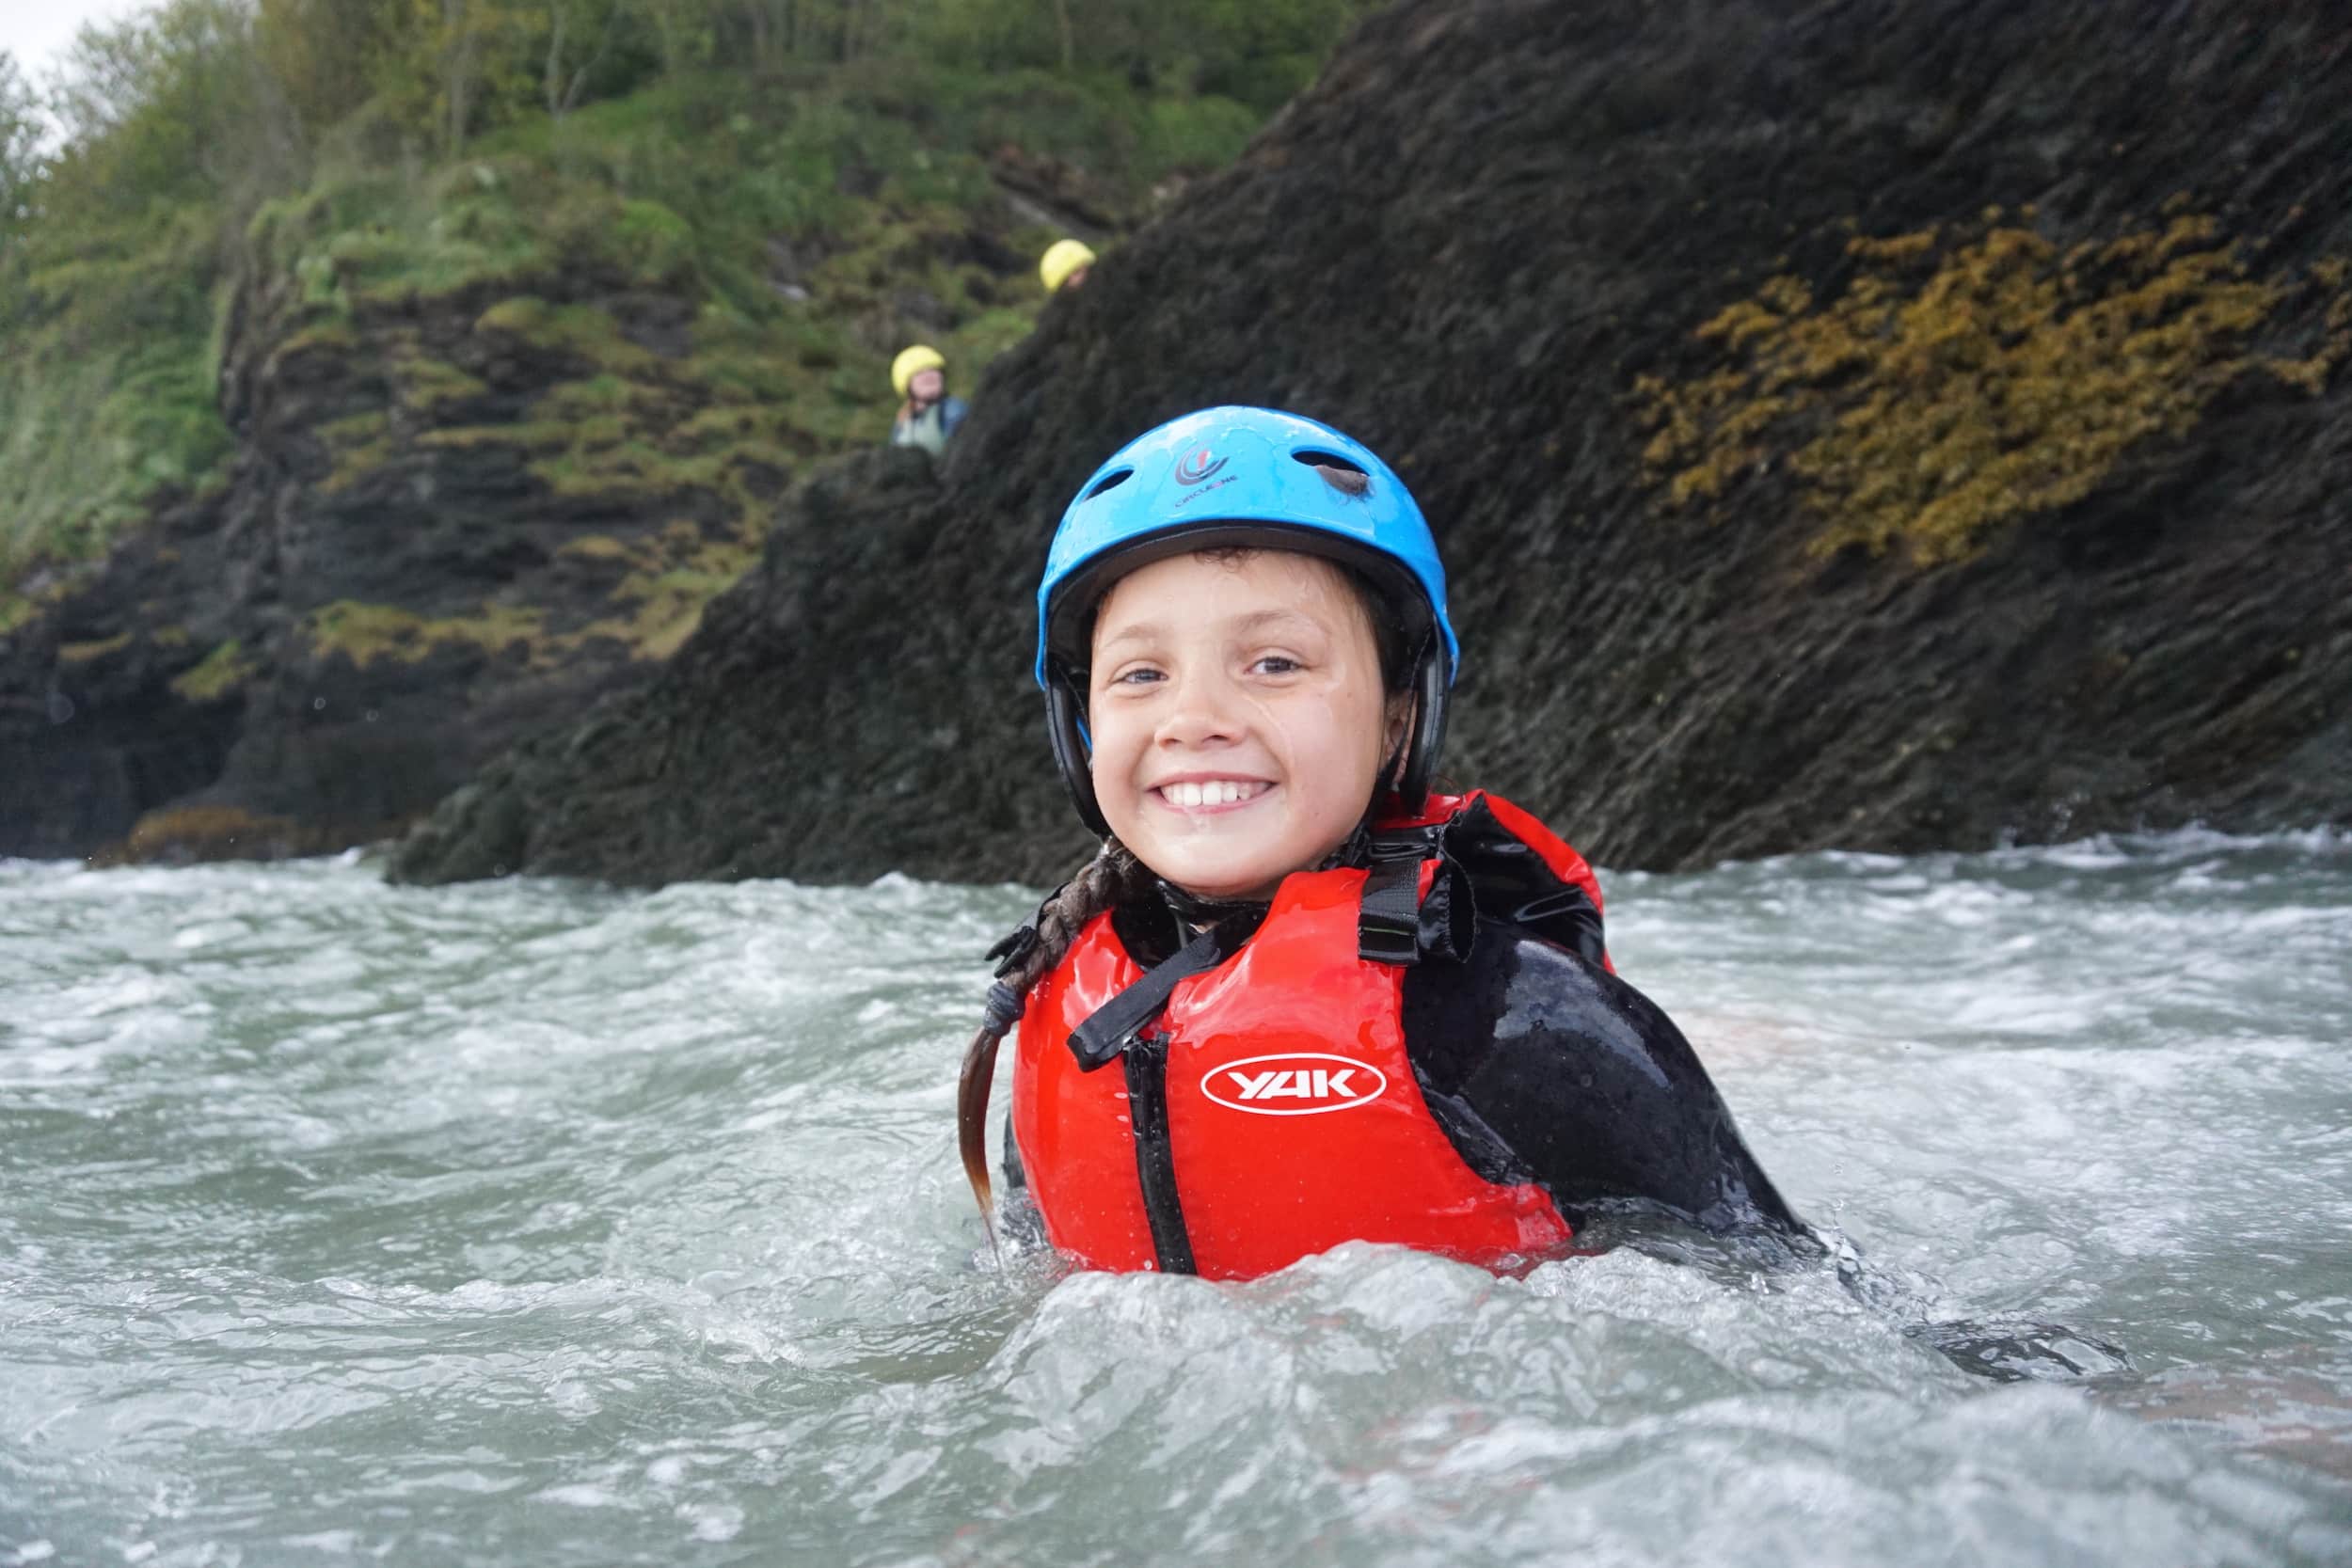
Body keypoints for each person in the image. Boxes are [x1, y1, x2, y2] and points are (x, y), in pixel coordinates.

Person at [956, 407, 1802, 1280]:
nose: (1194, 720)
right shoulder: (1064, 1007)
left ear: (1399, 713)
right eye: (1141, 674)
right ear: (1081, 725)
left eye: (1275, 663)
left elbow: (1800, 1307)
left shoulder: (1520, 1020)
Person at [889, 345, 967, 456]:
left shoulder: (954, 410)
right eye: (919, 373)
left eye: (933, 370)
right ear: (906, 385)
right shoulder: (902, 421)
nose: (929, 376)